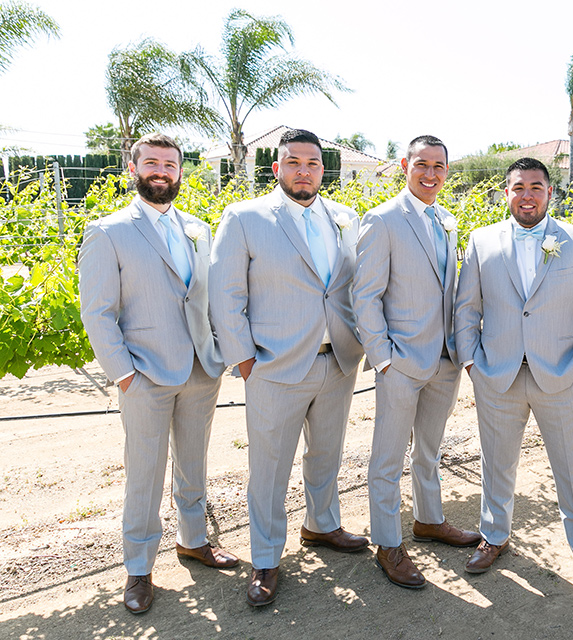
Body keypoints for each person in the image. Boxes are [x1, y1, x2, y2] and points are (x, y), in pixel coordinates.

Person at [79, 133, 236, 614]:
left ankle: (193, 540)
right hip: (144, 375)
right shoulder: (108, 232)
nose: (161, 171)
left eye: (170, 164)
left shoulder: (198, 228)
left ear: (181, 172)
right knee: (143, 476)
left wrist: (218, 354)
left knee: (194, 463)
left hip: (200, 371)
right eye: (152, 163)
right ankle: (139, 568)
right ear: (133, 169)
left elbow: (206, 297)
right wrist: (124, 375)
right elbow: (97, 313)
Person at [209, 128, 367, 607]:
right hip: (273, 366)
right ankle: (265, 558)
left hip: (336, 361)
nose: (304, 170)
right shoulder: (243, 218)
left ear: (324, 169)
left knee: (326, 454)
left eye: (313, 163)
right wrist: (245, 361)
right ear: (276, 168)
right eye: (293, 162)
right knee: (270, 467)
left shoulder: (345, 218)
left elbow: (353, 288)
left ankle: (321, 526)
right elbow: (226, 294)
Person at [454, 158, 573, 589]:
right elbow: (467, 308)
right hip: (496, 375)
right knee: (495, 463)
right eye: (518, 187)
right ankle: (494, 536)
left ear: (549, 193)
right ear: (506, 193)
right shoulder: (482, 241)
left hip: (561, 376)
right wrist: (471, 363)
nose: (527, 195)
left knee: (571, 467)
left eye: (536, 187)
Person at [354, 135, 480, 589]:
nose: (430, 174)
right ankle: (388, 543)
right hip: (401, 363)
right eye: (422, 164)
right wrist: (383, 359)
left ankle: (429, 520)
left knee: (429, 451)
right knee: (387, 459)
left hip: (444, 361)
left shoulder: (447, 219)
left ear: (448, 171)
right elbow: (364, 296)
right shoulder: (383, 219)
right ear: (405, 164)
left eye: (439, 167)